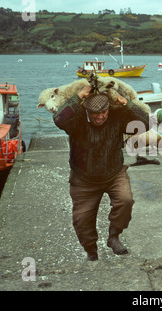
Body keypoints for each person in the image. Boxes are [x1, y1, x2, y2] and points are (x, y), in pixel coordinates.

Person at [53, 85, 149, 261]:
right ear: (87, 111)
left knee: (125, 201)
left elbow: (145, 124)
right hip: (83, 178)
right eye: (95, 113)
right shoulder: (77, 121)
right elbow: (59, 119)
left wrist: (125, 103)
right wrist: (78, 95)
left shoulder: (117, 118)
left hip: (114, 173)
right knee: (82, 220)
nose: (100, 116)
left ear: (108, 109)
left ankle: (114, 236)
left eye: (104, 112)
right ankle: (91, 251)